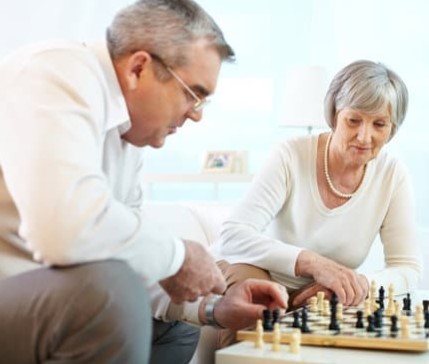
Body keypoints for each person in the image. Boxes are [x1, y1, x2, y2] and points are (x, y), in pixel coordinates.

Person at [0, 1, 287, 363]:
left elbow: (127, 254)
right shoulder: (55, 72)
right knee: (111, 294)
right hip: (15, 289)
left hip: (48, 300)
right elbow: (65, 228)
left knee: (177, 328)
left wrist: (214, 307)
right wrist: (179, 256)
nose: (196, 114)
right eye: (193, 93)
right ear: (139, 68)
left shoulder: (128, 138)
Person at [219, 60, 422, 311]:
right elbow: (233, 235)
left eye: (379, 124)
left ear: (392, 130)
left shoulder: (392, 175)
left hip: (321, 296)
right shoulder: (290, 155)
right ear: (335, 116)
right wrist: (314, 264)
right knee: (265, 317)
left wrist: (354, 285)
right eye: (353, 120)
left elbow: (407, 267)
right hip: (259, 275)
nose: (364, 136)